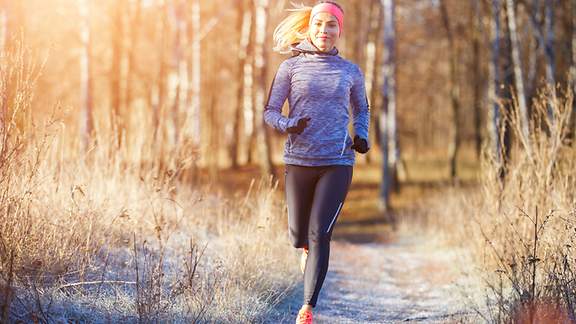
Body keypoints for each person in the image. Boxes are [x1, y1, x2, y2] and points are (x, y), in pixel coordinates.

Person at [263, 1, 370, 323]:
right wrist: (288, 124)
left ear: (340, 30)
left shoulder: (350, 70)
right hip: (299, 160)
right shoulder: (290, 68)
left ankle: (308, 307)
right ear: (310, 27)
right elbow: (270, 111)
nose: (325, 31)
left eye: (332, 25)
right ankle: (306, 251)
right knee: (299, 236)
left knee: (319, 233)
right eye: (320, 24)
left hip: (337, 161)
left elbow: (362, 109)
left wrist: (361, 135)